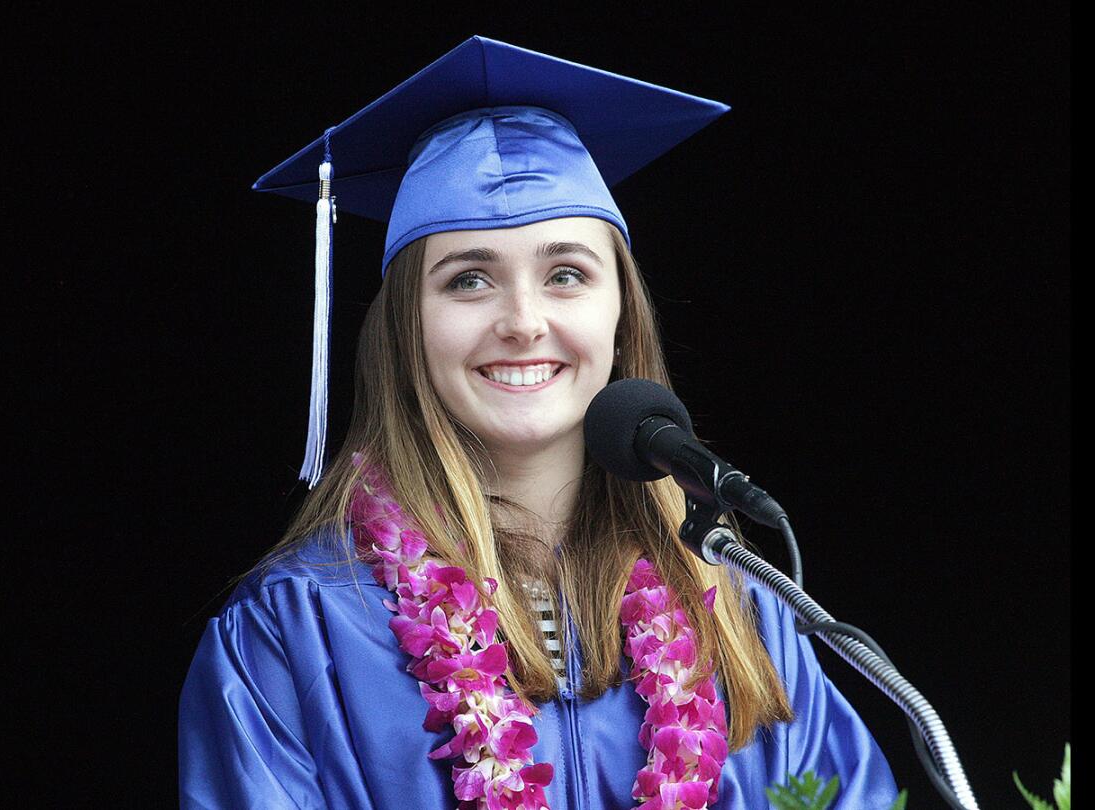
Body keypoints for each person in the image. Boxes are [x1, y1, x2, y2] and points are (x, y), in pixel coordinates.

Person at [179, 36, 900, 809]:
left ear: (620, 314)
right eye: (469, 280)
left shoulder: (743, 613)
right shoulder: (295, 633)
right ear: (406, 327)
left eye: (565, 275)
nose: (523, 321)